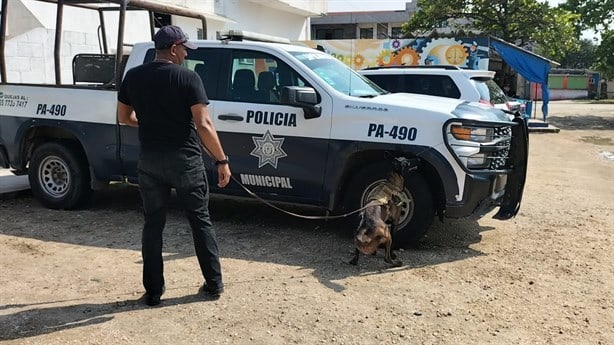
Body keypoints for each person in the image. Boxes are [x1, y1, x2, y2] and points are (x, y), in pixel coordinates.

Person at [117, 25, 231, 306]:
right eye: (183, 49)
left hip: (151, 162)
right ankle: (214, 284)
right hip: (185, 161)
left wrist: (150, 122)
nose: (185, 55)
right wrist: (222, 160)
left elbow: (124, 117)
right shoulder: (188, 78)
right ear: (173, 48)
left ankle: (154, 292)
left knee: (153, 225)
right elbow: (203, 123)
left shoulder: (133, 76)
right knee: (199, 221)